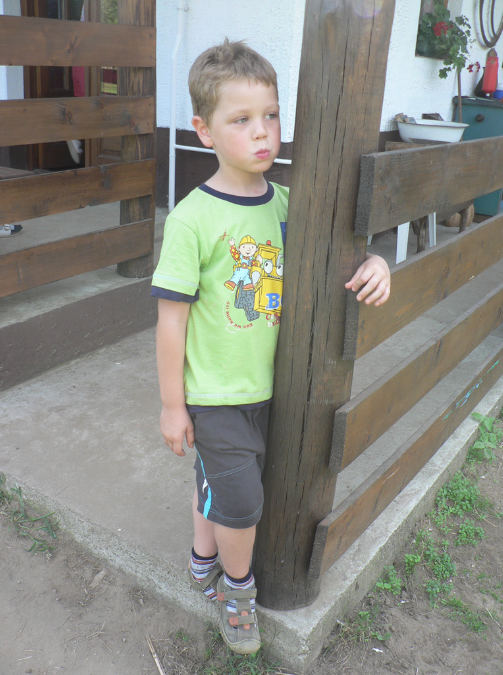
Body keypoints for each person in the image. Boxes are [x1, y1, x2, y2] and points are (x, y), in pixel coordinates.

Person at [151, 39, 391, 656]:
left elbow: (336, 255)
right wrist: (173, 406)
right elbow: (171, 322)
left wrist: (375, 263)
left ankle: (202, 558)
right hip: (216, 394)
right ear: (204, 131)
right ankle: (238, 590)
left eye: (271, 115)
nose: (263, 132)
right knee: (243, 502)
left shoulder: (289, 205)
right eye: (241, 119)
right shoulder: (191, 219)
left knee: (221, 485)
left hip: (275, 388)